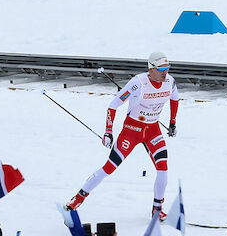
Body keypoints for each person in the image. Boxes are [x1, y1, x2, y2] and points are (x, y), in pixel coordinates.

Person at [65, 51, 179, 217]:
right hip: (131, 131)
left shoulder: (170, 82)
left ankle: (157, 208)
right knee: (109, 168)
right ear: (151, 68)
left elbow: (175, 99)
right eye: (162, 69)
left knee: (163, 168)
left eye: (167, 68)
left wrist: (172, 122)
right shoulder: (138, 83)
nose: (165, 72)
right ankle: (78, 198)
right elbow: (113, 105)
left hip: (153, 130)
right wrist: (108, 132)